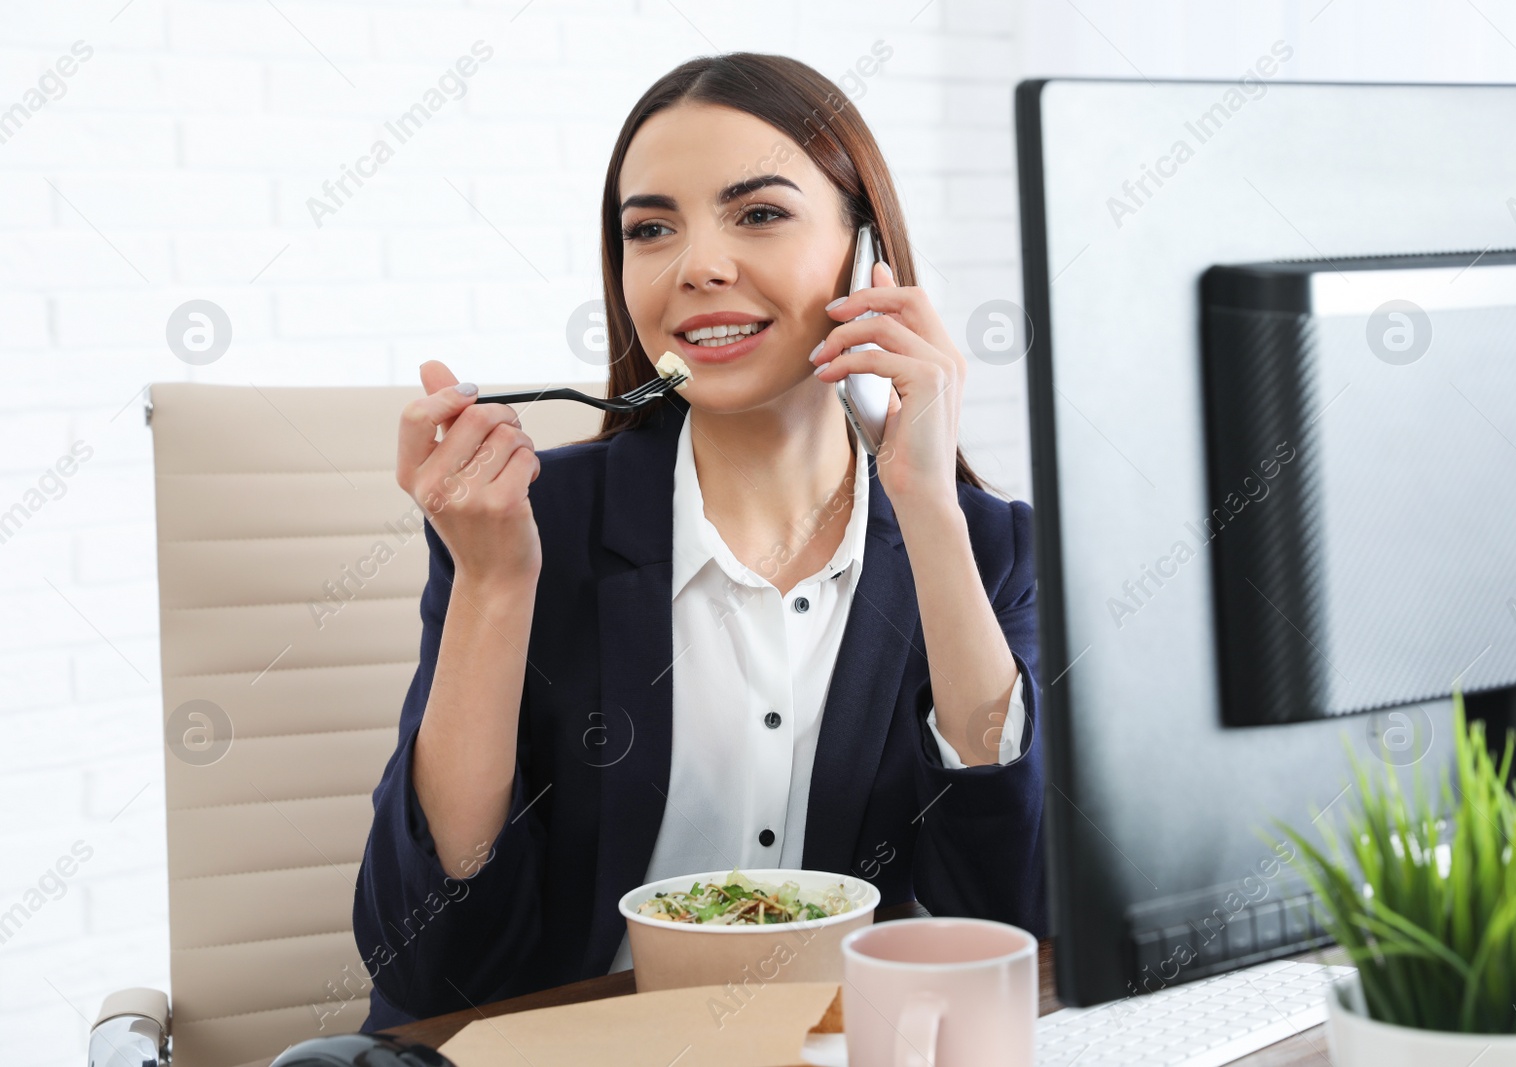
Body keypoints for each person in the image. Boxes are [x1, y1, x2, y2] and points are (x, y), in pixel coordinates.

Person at [353, 51, 1046, 1031]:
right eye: (651, 229)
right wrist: (495, 584)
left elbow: (1020, 916)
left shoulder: (992, 548)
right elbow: (427, 967)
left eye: (757, 213)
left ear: (866, 255)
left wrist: (927, 504)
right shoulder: (524, 527)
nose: (697, 265)